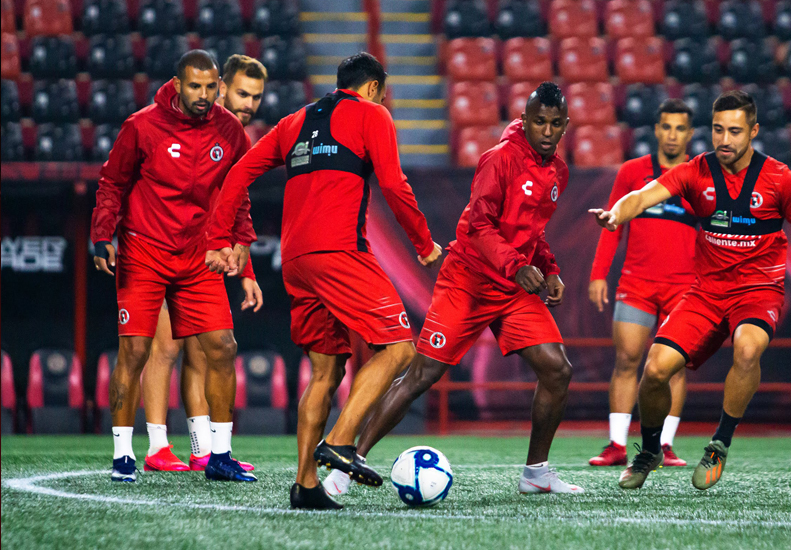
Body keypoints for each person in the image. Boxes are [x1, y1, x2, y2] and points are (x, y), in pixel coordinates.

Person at [204, 53, 442, 510]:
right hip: (339, 252)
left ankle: (306, 485)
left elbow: (237, 174)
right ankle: (340, 441)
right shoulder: (372, 114)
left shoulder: (293, 122)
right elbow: (394, 184)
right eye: (382, 93)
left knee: (327, 371)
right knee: (399, 349)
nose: (383, 101)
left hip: (295, 259)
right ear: (372, 88)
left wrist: (218, 238)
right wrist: (423, 243)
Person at [340, 81, 583, 497]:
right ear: (524, 120)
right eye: (539, 121)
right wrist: (517, 265)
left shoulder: (557, 171)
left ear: (566, 125)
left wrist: (550, 269)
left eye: (555, 123)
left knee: (557, 369)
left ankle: (536, 473)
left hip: (511, 287)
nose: (547, 130)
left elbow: (533, 231)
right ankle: (348, 463)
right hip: (468, 279)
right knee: (423, 374)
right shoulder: (499, 159)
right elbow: (479, 226)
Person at [591, 90, 791, 491]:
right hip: (706, 291)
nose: (724, 139)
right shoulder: (696, 170)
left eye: (734, 131)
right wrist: (616, 214)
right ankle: (649, 451)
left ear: (753, 131)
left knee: (747, 349)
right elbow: (643, 196)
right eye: (718, 130)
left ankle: (720, 443)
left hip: (758, 291)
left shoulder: (780, 178)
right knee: (655, 369)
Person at [92, 50, 258, 483]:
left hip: (198, 255)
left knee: (222, 347)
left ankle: (219, 456)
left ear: (219, 86)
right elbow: (112, 182)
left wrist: (241, 239)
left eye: (210, 87)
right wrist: (102, 235)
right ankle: (124, 455)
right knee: (135, 352)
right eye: (194, 86)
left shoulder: (230, 129)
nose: (203, 95)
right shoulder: (142, 125)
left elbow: (237, 190)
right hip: (144, 251)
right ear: (178, 84)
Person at [139, 54, 268, 473]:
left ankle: (203, 449)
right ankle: (157, 447)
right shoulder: (183, 124)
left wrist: (246, 271)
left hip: (203, 258)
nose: (249, 104)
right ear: (221, 89)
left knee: (203, 354)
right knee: (166, 347)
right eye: (242, 94)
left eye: (256, 97)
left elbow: (236, 205)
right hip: (162, 248)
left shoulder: (232, 138)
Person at [587, 99, 698, 468]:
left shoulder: (699, 175)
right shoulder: (632, 171)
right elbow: (612, 223)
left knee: (673, 367)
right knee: (626, 360)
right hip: (636, 284)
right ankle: (617, 446)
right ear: (656, 130)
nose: (672, 135)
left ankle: (665, 446)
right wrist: (598, 274)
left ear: (690, 134)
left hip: (684, 288)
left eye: (680, 128)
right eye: (666, 127)